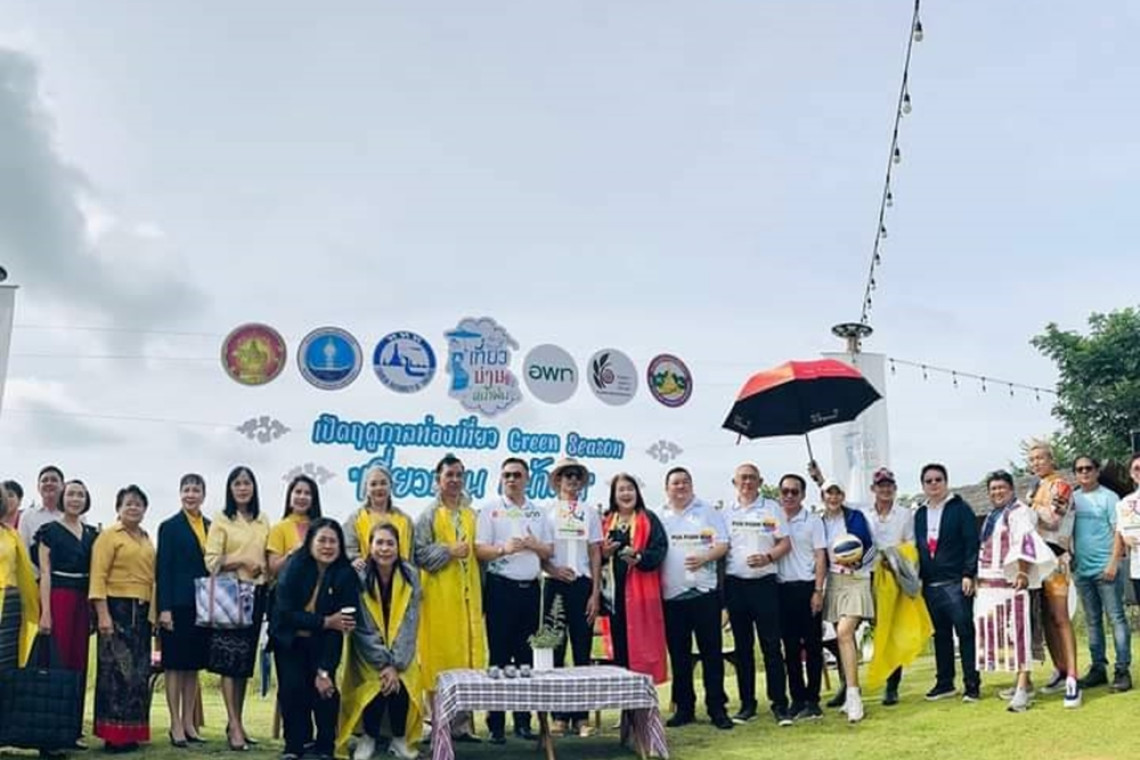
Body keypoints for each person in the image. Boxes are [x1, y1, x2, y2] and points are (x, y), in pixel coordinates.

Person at [475, 457, 553, 743]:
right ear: (501, 478)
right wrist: (502, 549)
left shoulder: (538, 512)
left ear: (527, 479)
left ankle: (523, 722)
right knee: (498, 657)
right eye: (507, 475)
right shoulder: (490, 510)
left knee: (525, 658)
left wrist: (535, 545)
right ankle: (496, 724)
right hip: (500, 589)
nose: (511, 480)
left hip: (530, 590)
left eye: (517, 475)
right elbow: (478, 550)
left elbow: (549, 551)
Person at [271, 518, 358, 760]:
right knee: (292, 689)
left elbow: (343, 623)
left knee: (325, 690)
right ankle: (294, 746)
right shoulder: (294, 567)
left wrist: (324, 671)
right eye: (322, 540)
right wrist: (325, 621)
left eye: (333, 541)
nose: (327, 546)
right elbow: (285, 614)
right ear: (310, 542)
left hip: (324, 643)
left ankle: (325, 747)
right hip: (289, 640)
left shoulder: (346, 574)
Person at [414, 455, 485, 742]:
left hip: (468, 598)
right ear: (438, 480)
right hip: (438, 599)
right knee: (438, 657)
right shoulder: (428, 515)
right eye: (449, 475)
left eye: (459, 475)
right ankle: (436, 722)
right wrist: (447, 551)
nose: (454, 480)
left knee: (466, 657)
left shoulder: (472, 515)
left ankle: (462, 724)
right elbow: (418, 554)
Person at [338, 523, 423, 760]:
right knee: (375, 682)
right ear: (370, 546)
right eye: (379, 543)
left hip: (401, 651)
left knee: (401, 680)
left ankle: (399, 739)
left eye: (390, 543)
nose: (384, 549)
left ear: (398, 547)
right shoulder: (359, 575)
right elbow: (363, 626)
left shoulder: (410, 575)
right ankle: (368, 737)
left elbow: (410, 622)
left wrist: (395, 663)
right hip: (367, 651)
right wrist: (384, 663)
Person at [974, 471, 1056, 713]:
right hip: (990, 582)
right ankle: (1024, 683)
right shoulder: (994, 514)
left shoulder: (1018, 511)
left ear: (1011, 489)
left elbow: (1024, 542)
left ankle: (1022, 690)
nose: (997, 492)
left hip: (1011, 582)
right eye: (993, 489)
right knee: (1003, 633)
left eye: (1001, 487)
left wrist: (1022, 572)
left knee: (1018, 632)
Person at [658, 467, 732, 731]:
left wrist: (704, 557)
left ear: (692, 485)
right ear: (667, 488)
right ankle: (684, 708)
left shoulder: (707, 511)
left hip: (704, 592)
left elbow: (722, 544)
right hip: (672, 596)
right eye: (675, 483)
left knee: (711, 654)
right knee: (680, 657)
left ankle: (717, 708)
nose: (681, 487)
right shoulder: (659, 515)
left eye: (685, 482)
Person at [205, 466, 272, 752]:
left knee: (244, 663)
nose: (243, 488)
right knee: (229, 662)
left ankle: (239, 721)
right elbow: (211, 561)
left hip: (257, 594)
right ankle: (232, 723)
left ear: (254, 487)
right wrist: (242, 560)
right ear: (230, 489)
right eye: (237, 484)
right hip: (231, 594)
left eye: (247, 483)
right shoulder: (222, 519)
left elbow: (268, 556)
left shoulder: (263, 519)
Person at [723, 463, 791, 725]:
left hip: (764, 584)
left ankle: (780, 704)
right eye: (742, 478)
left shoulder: (772, 508)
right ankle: (747, 705)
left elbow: (785, 542)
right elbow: (721, 548)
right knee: (743, 649)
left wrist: (768, 557)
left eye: (752, 478)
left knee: (771, 646)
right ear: (734, 482)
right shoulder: (726, 512)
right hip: (735, 585)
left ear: (760, 482)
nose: (747, 482)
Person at [90, 485, 156, 752]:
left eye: (138, 504)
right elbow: (98, 575)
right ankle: (113, 735)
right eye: (128, 503)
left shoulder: (147, 538)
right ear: (118, 508)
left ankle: (132, 731)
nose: (133, 508)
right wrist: (102, 614)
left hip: (142, 612)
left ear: (145, 509)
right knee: (115, 671)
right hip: (116, 608)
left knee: (138, 673)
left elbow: (152, 579)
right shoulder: (108, 536)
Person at [540, 457, 602, 738]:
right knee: (555, 651)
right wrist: (553, 570)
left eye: (577, 476)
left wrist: (595, 593)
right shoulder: (546, 513)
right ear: (558, 481)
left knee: (582, 651)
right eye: (568, 475)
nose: (573, 480)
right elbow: (541, 553)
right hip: (555, 584)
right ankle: (559, 717)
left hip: (582, 585)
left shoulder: (589, 512)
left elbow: (595, 552)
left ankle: (581, 717)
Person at [858, 468, 929, 706]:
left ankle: (892, 685)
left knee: (894, 629)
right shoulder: (864, 514)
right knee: (861, 629)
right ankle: (850, 685)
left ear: (895, 488)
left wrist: (894, 558)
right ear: (873, 489)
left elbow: (911, 543)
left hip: (895, 576)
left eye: (889, 485)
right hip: (868, 576)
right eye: (881, 485)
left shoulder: (905, 514)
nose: (885, 489)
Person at [36, 479, 98, 748]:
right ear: (63, 497)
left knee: (78, 662)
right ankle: (51, 731)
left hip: (83, 601)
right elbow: (45, 573)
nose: (75, 499)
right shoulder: (48, 531)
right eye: (71, 494)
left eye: (80, 495)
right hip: (59, 597)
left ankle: (73, 729)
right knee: (57, 661)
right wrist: (46, 612)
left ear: (86, 500)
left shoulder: (92, 535)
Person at [914, 463, 981, 702]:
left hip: (956, 583)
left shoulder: (960, 509)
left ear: (946, 482)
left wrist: (968, 574)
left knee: (965, 633)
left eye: (938, 479)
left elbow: (971, 543)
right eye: (929, 481)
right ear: (923, 485)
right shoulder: (920, 514)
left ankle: (972, 684)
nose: (934, 484)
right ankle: (945, 683)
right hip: (930, 585)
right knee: (940, 636)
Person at [155, 474, 211, 747]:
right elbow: (163, 570)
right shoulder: (170, 527)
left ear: (203, 495)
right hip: (177, 605)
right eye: (186, 490)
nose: (191, 495)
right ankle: (175, 723)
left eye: (196, 490)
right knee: (174, 666)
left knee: (192, 666)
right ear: (180, 494)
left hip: (203, 605)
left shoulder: (211, 526)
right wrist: (164, 609)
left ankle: (189, 722)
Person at [1026, 441, 1081, 707]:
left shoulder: (1061, 485)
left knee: (1060, 617)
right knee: (1045, 617)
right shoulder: (1035, 487)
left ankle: (1073, 677)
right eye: (1032, 459)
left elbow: (1053, 519)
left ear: (1051, 459)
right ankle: (1059, 668)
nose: (1036, 463)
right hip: (1037, 559)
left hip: (1056, 557)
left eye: (1040, 458)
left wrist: (1030, 506)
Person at [600, 474, 668, 685]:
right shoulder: (605, 521)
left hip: (642, 595)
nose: (626, 493)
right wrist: (604, 553)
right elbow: (594, 556)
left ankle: (644, 700)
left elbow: (660, 550)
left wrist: (639, 558)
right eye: (621, 489)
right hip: (614, 596)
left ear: (637, 493)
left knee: (644, 648)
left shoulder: (648, 519)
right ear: (614, 495)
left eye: (630, 489)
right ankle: (623, 702)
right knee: (620, 649)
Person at [1071, 455, 1131, 692]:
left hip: (1106, 569)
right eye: (1079, 469)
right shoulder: (1073, 499)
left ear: (1097, 471)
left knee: (1116, 618)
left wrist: (1113, 562)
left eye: (1088, 468)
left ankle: (1122, 669)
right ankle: (1098, 668)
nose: (1084, 472)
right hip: (1082, 571)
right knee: (1093, 621)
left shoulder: (1109, 497)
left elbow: (1118, 531)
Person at [818, 480, 875, 723]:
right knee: (843, 638)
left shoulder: (855, 517)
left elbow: (871, 547)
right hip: (834, 581)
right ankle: (852, 689)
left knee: (844, 632)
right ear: (822, 496)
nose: (833, 497)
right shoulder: (819, 522)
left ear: (843, 495)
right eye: (829, 493)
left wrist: (857, 562)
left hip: (856, 579)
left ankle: (853, 697)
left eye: (837, 493)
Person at [774, 474, 827, 723]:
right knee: (791, 648)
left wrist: (818, 590)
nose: (789, 496)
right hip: (781, 589)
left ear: (803, 495)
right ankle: (797, 698)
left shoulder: (813, 520)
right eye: (785, 491)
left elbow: (820, 556)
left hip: (807, 587)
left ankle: (813, 699)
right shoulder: (773, 519)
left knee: (813, 646)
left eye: (794, 492)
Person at [0, 481, 39, 674]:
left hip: (9, 609)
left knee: (6, 665)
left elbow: (25, 575)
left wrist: (36, 610)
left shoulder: (11, 535)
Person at [344, 465, 415, 569]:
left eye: (383, 483)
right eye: (373, 484)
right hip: (367, 576)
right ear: (366, 488)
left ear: (391, 486)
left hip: (401, 576)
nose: (379, 488)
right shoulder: (355, 519)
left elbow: (412, 556)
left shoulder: (405, 520)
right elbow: (349, 550)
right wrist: (355, 560)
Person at [268, 475, 323, 578]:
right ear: (290, 497)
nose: (302, 497)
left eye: (307, 493)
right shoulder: (278, 528)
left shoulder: (321, 528)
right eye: (298, 492)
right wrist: (292, 554)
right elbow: (273, 569)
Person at [19, 466, 65, 573]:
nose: (49, 483)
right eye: (44, 480)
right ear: (38, 487)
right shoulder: (27, 516)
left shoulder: (75, 516)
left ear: (63, 486)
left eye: (54, 480)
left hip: (66, 578)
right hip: (35, 577)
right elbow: (23, 552)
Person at [1115, 453, 1140, 615]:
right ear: (1131, 474)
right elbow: (1122, 531)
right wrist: (1125, 538)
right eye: (1136, 469)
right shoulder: (1124, 504)